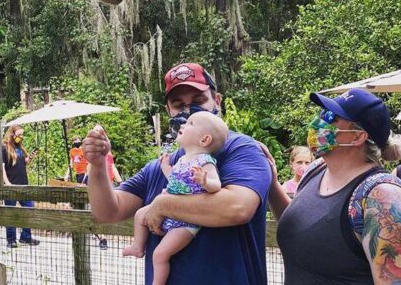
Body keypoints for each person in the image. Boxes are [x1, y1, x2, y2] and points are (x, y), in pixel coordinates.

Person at [84, 62, 272, 284]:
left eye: (199, 101)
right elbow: (108, 212)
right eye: (178, 105)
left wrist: (163, 204)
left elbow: (238, 208)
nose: (188, 110)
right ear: (168, 111)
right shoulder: (159, 167)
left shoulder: (241, 149)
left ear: (217, 101)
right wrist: (97, 165)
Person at [266, 88, 401, 284]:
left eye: (331, 117)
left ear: (358, 137)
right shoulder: (315, 170)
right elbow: (303, 227)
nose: (319, 122)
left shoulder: (382, 197)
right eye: (322, 113)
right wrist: (272, 185)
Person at [124, 111, 228, 285]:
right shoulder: (183, 159)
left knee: (160, 254)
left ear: (204, 140)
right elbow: (173, 178)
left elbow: (216, 185)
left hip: (187, 222)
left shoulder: (205, 161)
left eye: (190, 124)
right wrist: (165, 166)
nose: (182, 125)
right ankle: (138, 246)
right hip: (169, 212)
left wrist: (205, 182)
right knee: (139, 215)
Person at [1, 125, 40, 248]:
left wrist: (30, 157)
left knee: (29, 208)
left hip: (24, 184)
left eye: (22, 135)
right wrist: (7, 184)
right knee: (10, 213)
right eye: (19, 135)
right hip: (11, 185)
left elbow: (23, 163)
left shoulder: (20, 148)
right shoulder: (4, 148)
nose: (21, 137)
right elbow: (1, 168)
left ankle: (25, 236)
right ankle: (11, 239)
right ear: (12, 134)